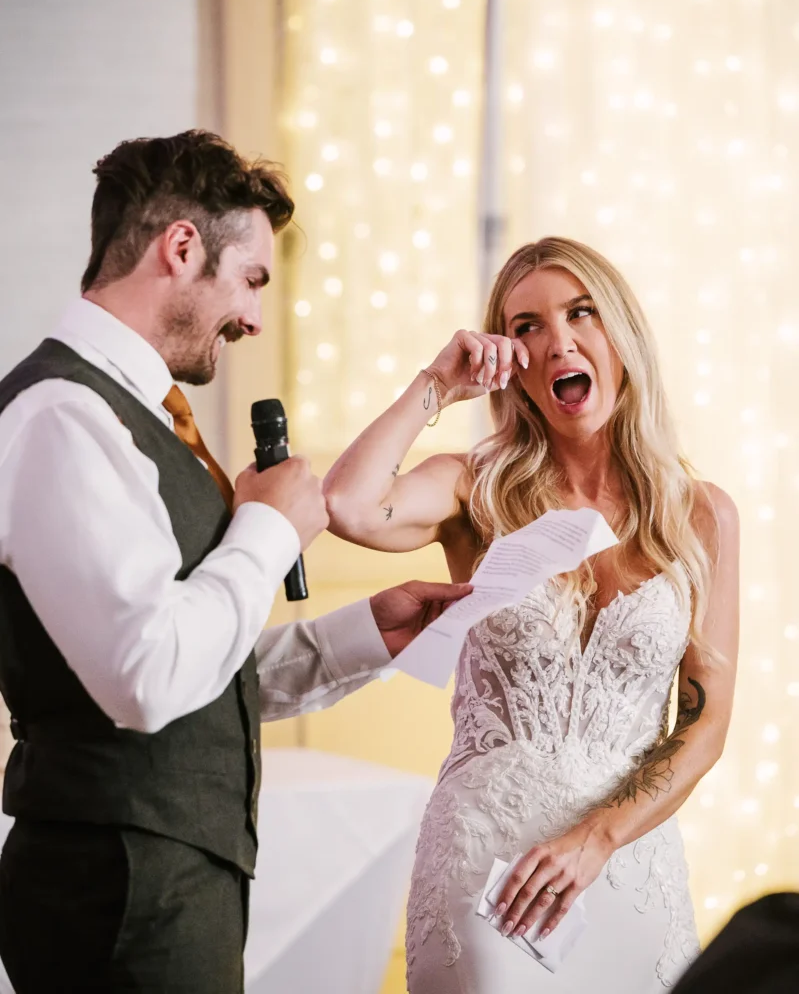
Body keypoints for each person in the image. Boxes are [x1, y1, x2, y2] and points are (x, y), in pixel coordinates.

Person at [0, 130, 471, 994]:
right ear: (181, 248)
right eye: (251, 279)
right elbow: (146, 678)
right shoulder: (62, 418)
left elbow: (189, 663)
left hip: (168, 881)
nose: (254, 318)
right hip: (119, 892)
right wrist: (267, 532)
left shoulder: (135, 416)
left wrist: (358, 637)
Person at [324, 236, 740, 993]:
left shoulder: (700, 515)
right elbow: (348, 504)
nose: (557, 343)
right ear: (509, 360)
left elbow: (704, 723)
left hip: (626, 869)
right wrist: (435, 384)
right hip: (488, 869)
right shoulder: (470, 490)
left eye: (579, 313)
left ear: (620, 335)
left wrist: (596, 840)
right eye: (525, 327)